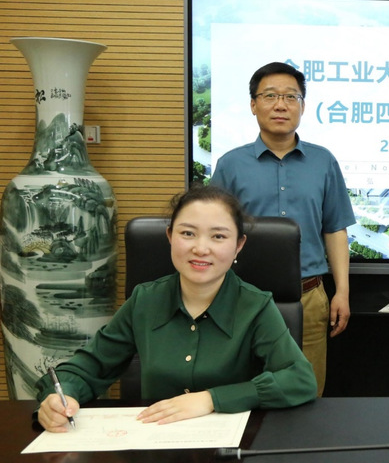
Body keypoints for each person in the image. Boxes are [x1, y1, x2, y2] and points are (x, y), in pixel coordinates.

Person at [36, 185, 317, 432]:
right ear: (170, 236)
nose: (201, 248)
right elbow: (87, 368)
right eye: (188, 233)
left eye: (218, 237)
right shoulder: (145, 300)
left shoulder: (256, 306)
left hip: (229, 445)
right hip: (155, 441)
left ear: (238, 245)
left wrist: (211, 399)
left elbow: (299, 379)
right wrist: (61, 397)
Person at [210, 62, 355, 396]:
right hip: (243, 297)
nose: (281, 105)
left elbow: (335, 230)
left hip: (309, 297)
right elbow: (214, 232)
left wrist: (342, 292)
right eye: (270, 96)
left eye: (291, 97)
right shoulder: (231, 164)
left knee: (307, 390)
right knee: (244, 391)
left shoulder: (323, 161)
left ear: (302, 106)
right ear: (253, 104)